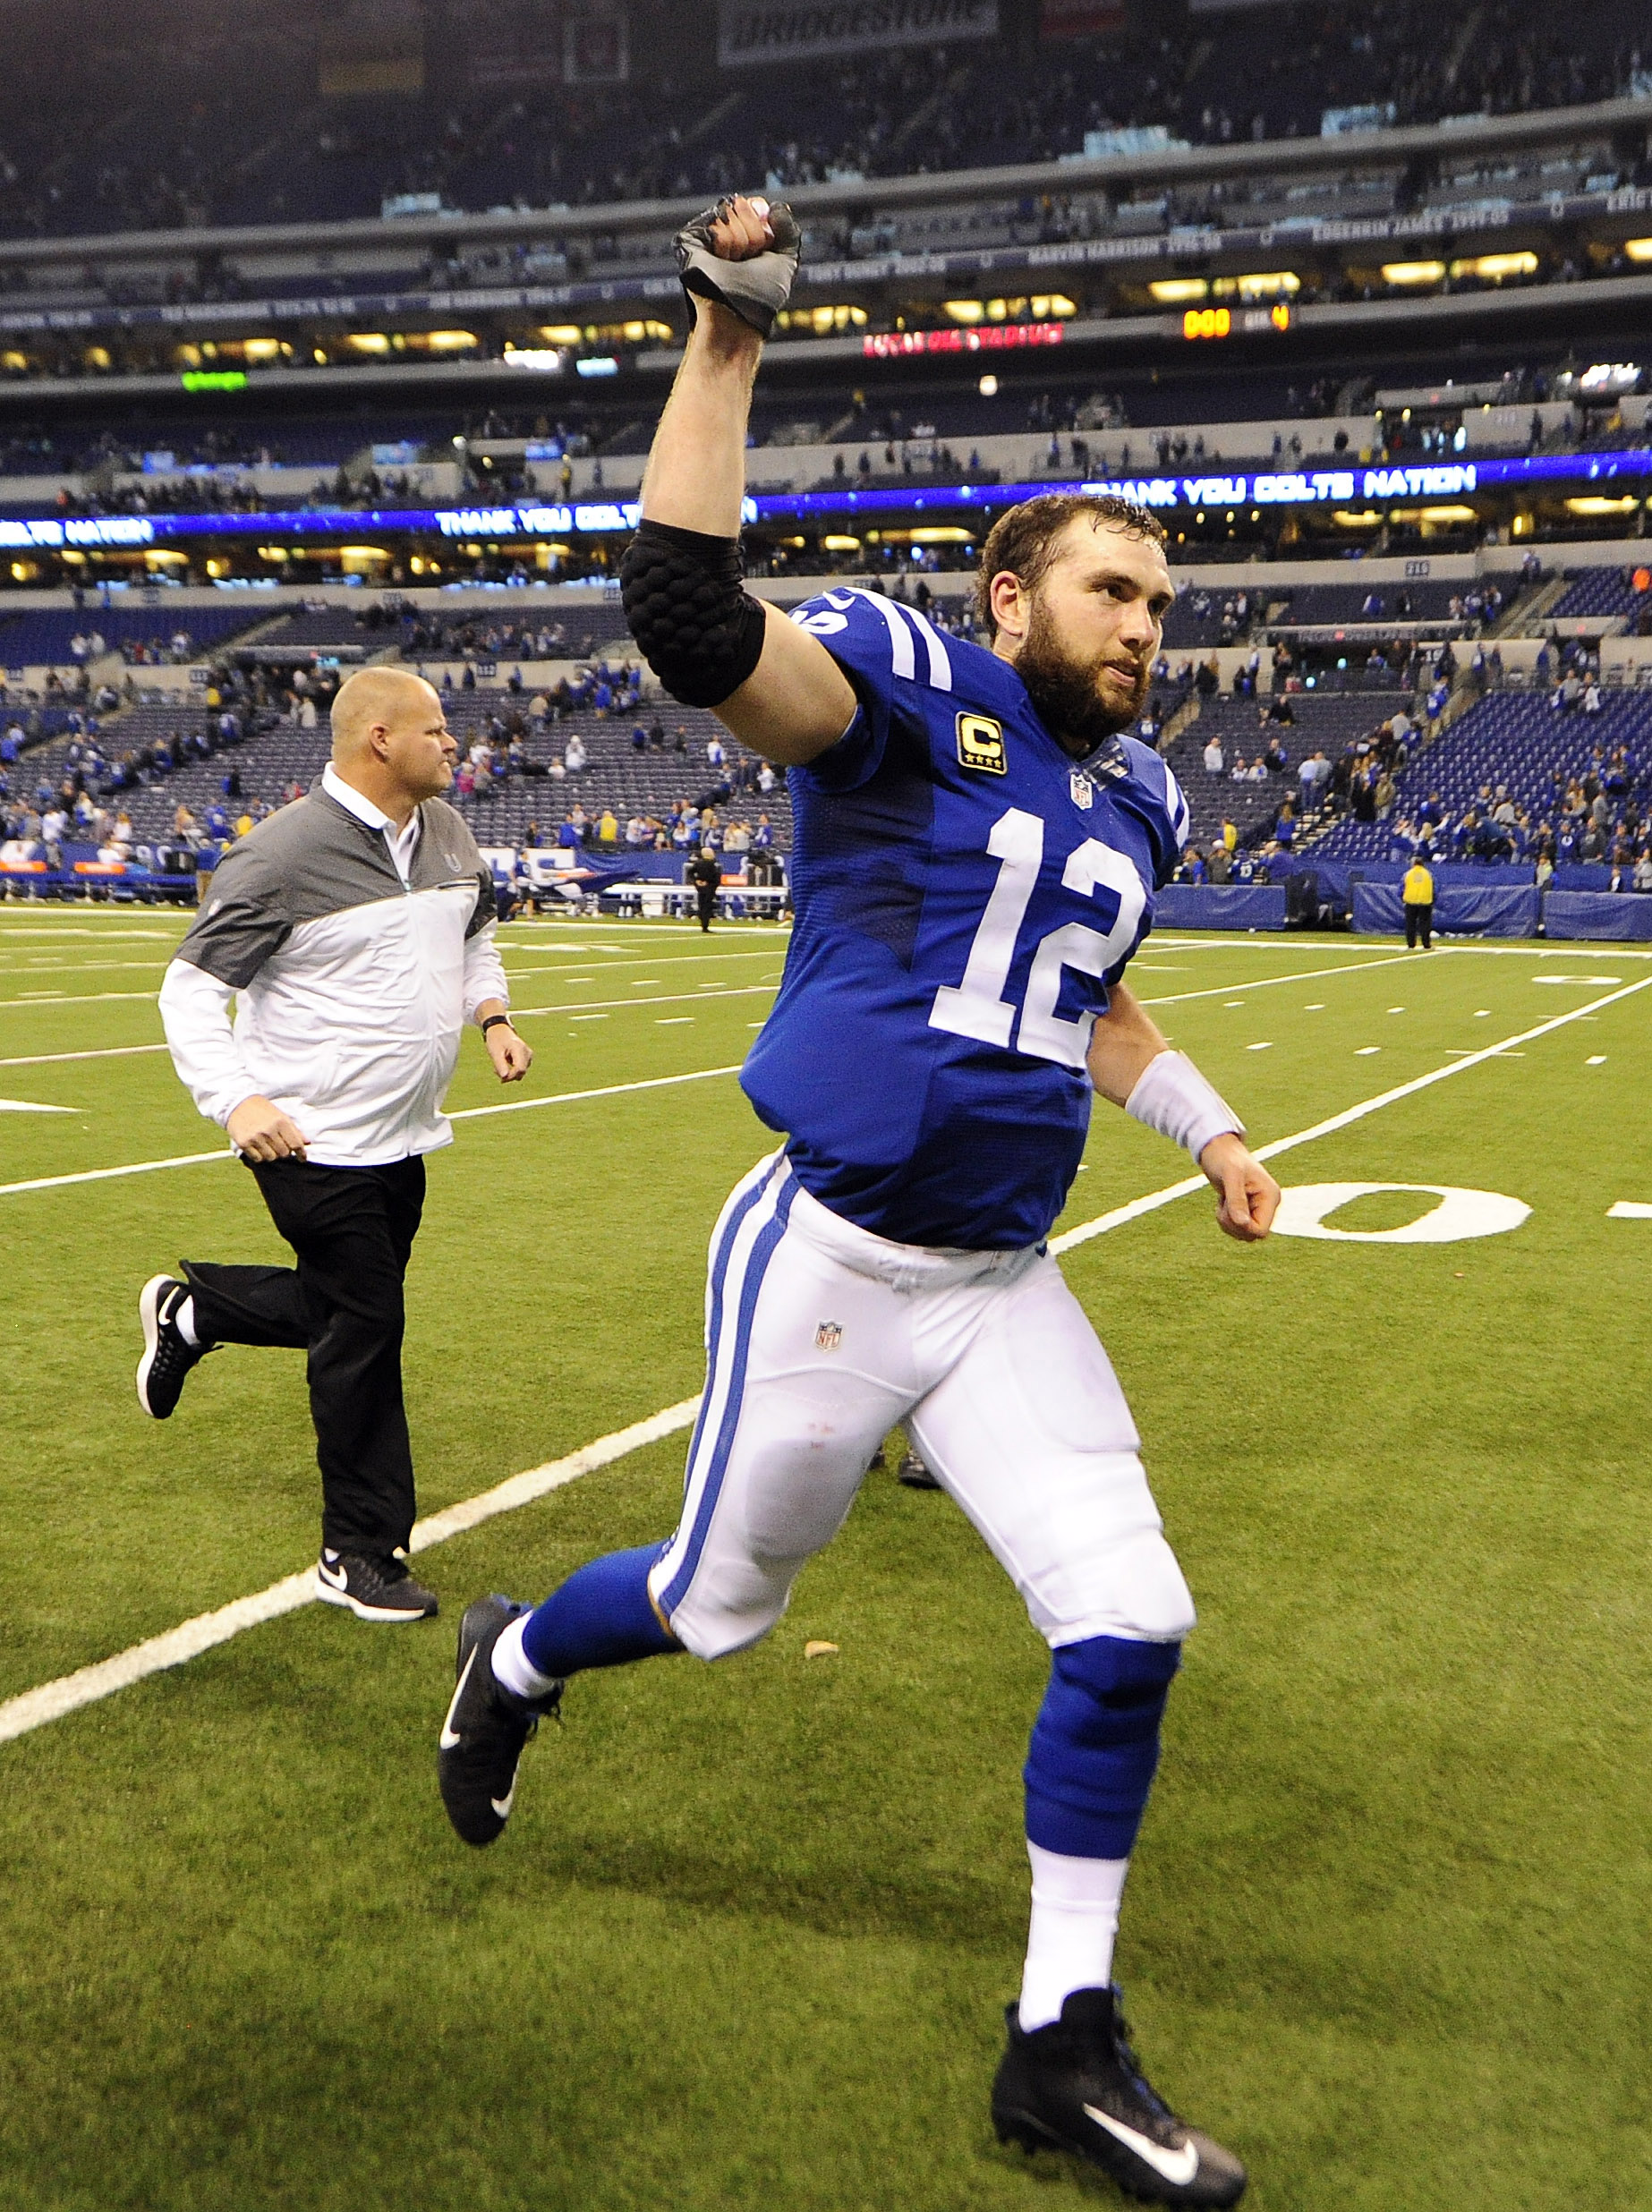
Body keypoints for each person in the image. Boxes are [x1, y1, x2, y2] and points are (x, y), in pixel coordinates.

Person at [434, 195, 1276, 2209]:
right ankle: (516, 1658)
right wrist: (725, 335)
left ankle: (1052, 2048)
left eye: (1158, 601)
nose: (1144, 628)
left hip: (999, 1277)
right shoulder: (905, 697)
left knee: (1131, 1621)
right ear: (1009, 603)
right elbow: (693, 616)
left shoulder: (1140, 795)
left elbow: (1088, 997)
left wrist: (1209, 1132)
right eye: (1108, 594)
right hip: (831, 1254)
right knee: (717, 1611)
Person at [138, 668, 533, 1623]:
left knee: (350, 1307)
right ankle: (357, 1550)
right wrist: (237, 1102)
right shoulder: (277, 856)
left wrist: (492, 1017)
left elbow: (473, 935)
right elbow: (188, 992)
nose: (456, 744)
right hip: (308, 1140)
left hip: (404, 1137)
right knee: (365, 1330)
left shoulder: (447, 831)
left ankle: (195, 1315)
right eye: (437, 730)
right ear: (380, 741)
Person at [1402, 854, 1435, 949]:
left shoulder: (1408, 874)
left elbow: (1401, 887)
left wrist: (1403, 897)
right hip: (1425, 902)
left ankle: (1411, 944)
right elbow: (1434, 888)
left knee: (1410, 924)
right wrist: (1432, 899)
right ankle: (1426, 944)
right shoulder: (1428, 874)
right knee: (1425, 924)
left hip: (1410, 901)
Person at [687, 842, 720, 932]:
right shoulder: (714, 864)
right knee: (707, 906)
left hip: (700, 887)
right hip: (710, 887)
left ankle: (703, 924)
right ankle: (705, 925)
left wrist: (696, 881)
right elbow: (716, 877)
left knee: (702, 905)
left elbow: (690, 872)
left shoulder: (698, 863)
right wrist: (709, 883)